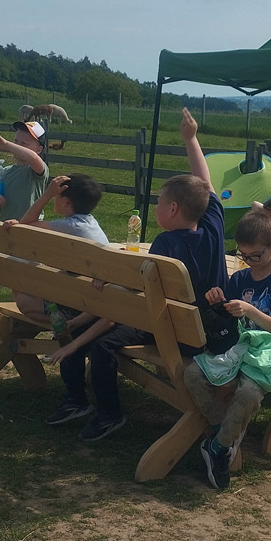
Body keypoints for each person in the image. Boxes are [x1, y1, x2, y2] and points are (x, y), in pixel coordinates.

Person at [45, 108, 229, 440]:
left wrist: (110, 281)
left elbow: (131, 298)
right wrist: (191, 139)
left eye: (159, 202)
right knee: (100, 328)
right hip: (207, 328)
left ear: (173, 209)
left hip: (173, 332)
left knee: (102, 345)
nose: (156, 207)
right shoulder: (214, 224)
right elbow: (206, 183)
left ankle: (108, 415)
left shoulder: (165, 245)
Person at [187, 211, 271, 490]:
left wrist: (249, 309)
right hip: (238, 344)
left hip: (269, 347)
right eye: (244, 255)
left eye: (255, 256)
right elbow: (228, 319)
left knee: (249, 392)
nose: (249, 261)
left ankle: (217, 446)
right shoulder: (239, 278)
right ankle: (221, 436)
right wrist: (216, 302)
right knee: (192, 374)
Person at [3, 174, 109, 325]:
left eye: (56, 196)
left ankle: (66, 322)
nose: (53, 198)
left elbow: (24, 229)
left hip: (81, 302)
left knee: (23, 299)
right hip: (95, 295)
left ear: (66, 202)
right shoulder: (90, 223)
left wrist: (46, 194)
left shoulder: (69, 226)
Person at [0, 119, 50, 221]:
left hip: (30, 227)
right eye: (16, 141)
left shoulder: (36, 170)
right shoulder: (6, 171)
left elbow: (33, 158)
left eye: (24, 144)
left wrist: (6, 145)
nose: (17, 146)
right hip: (6, 226)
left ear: (38, 150)